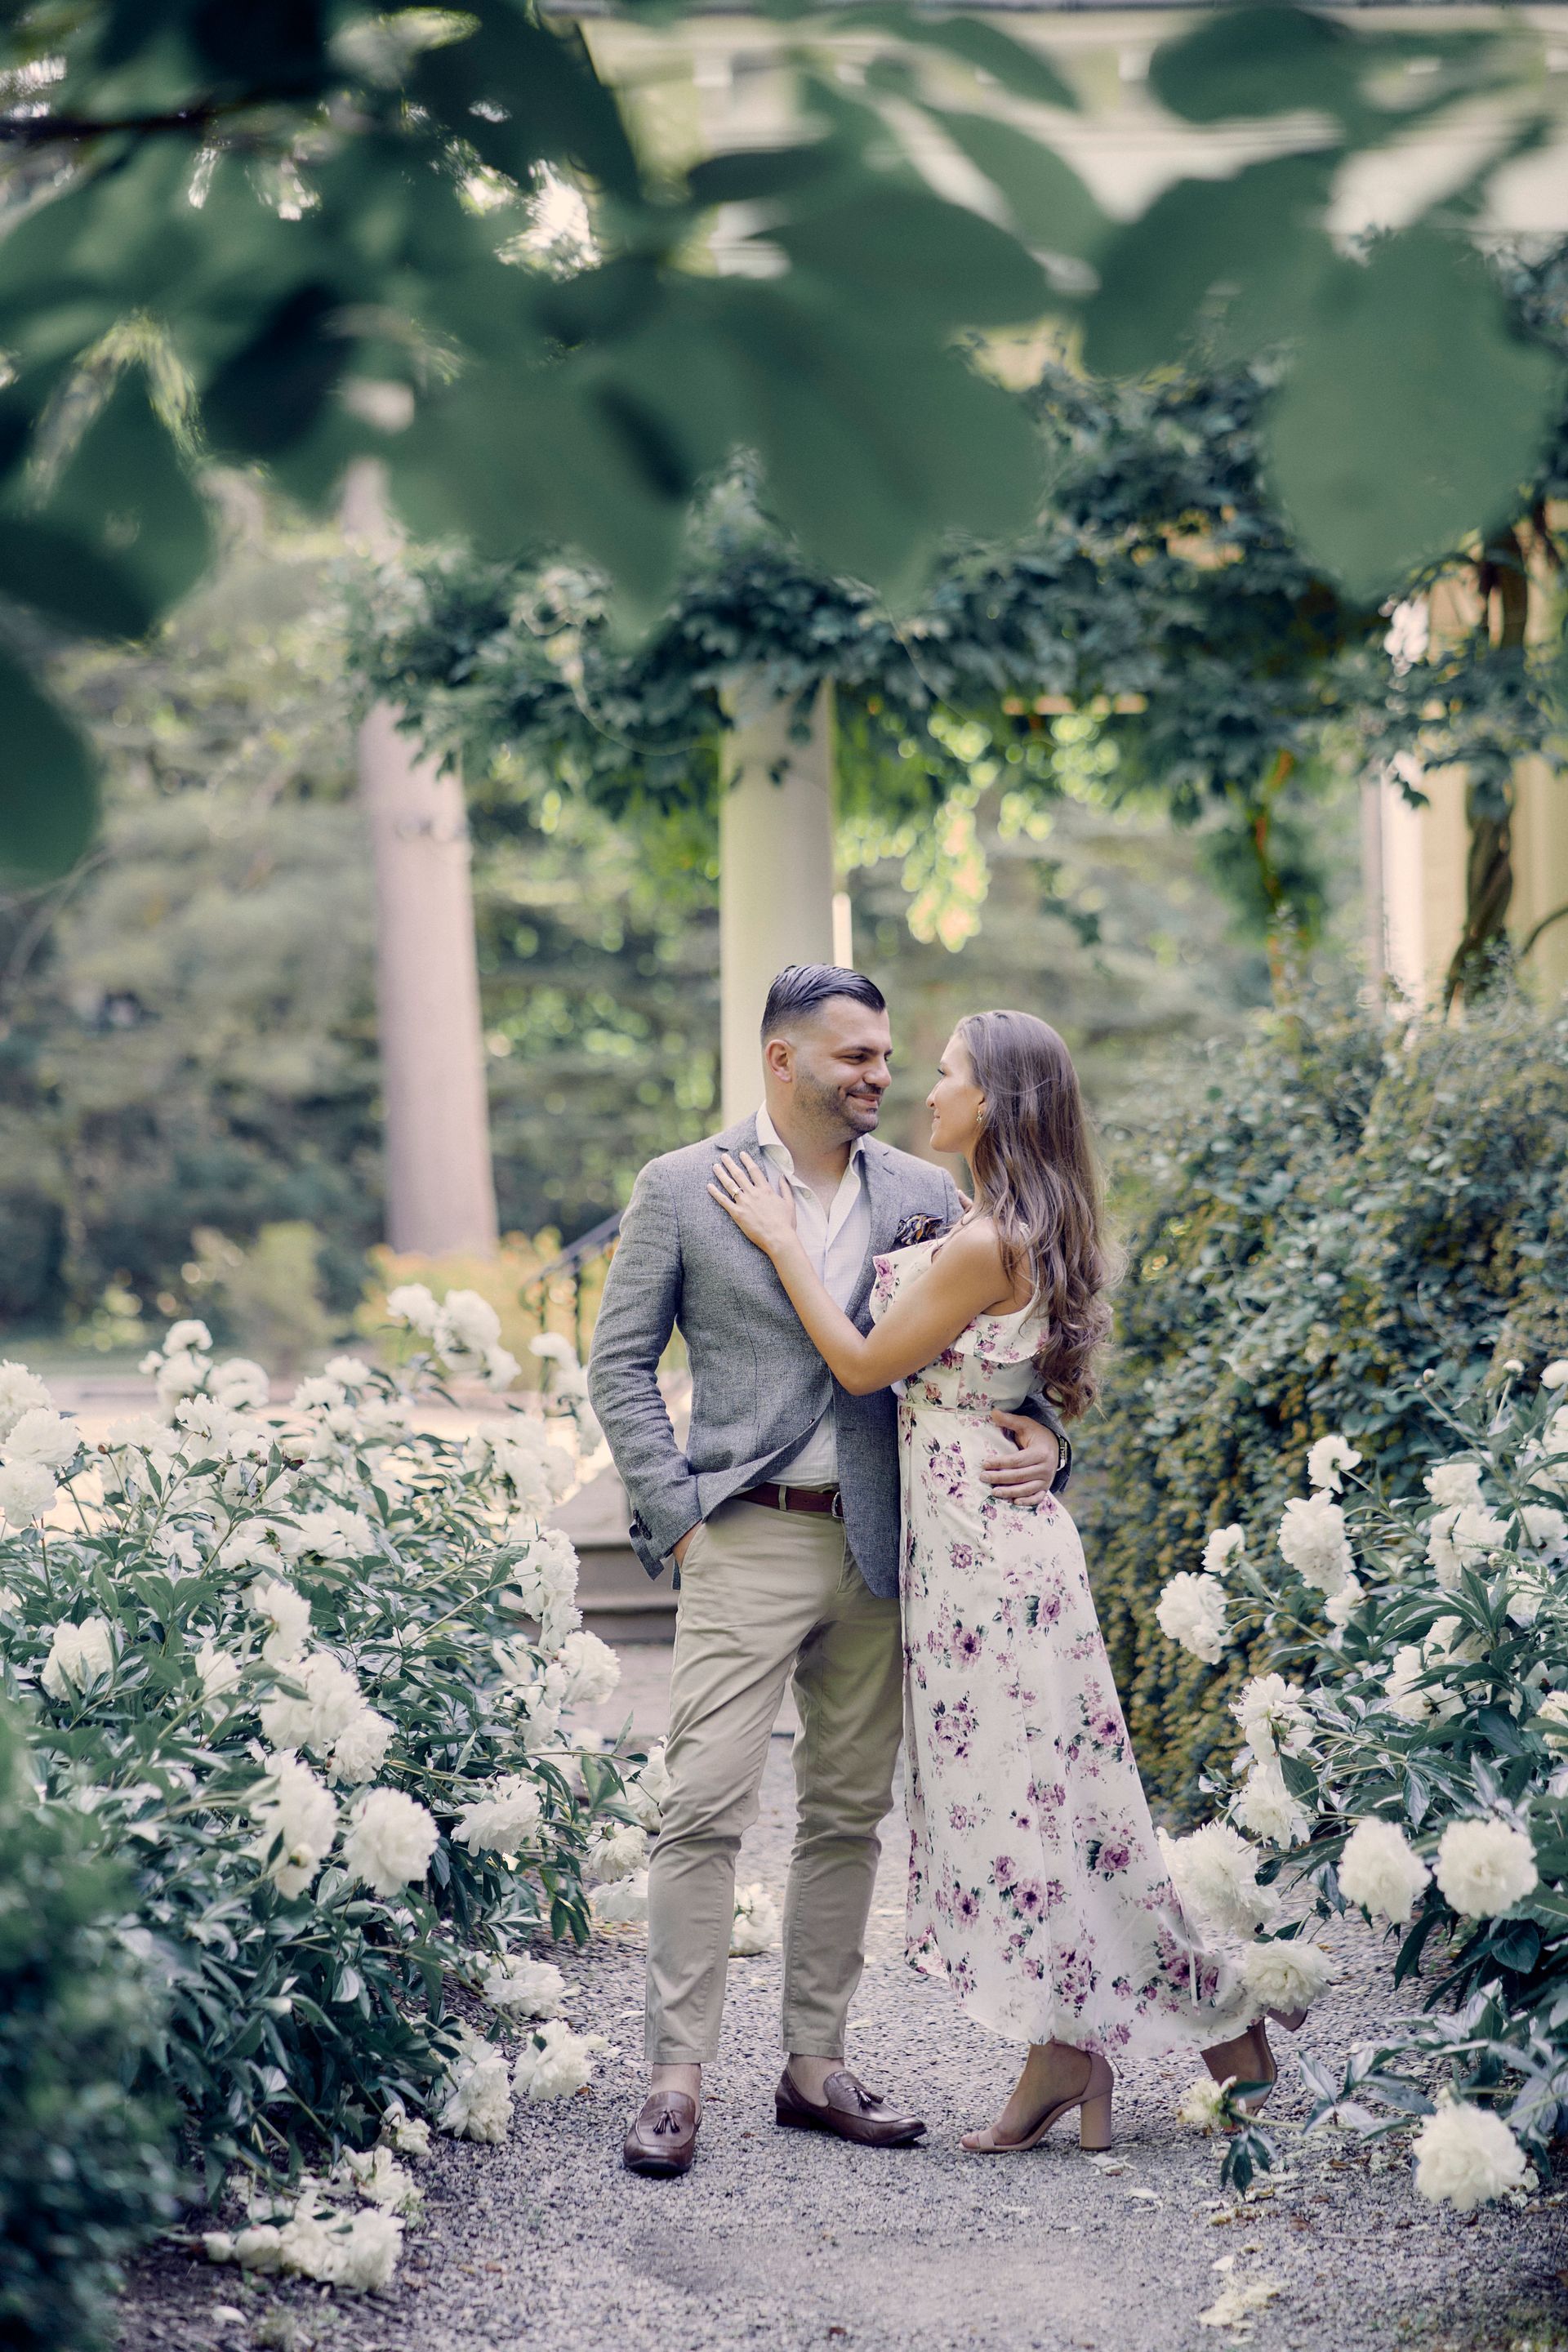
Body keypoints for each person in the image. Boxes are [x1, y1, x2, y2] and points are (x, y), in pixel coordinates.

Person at [710, 1007, 1297, 2155]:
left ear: (998, 1105)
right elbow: (995, 1386)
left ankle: (1192, 2024)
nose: (927, 1092)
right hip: (982, 1549)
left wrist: (785, 1243)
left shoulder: (988, 1240)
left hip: (988, 1564)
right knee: (1049, 1809)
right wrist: (1040, 1440)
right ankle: (1080, 2047)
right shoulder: (994, 1222)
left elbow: (868, 1365)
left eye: (946, 1077)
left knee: (1041, 1810)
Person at [588, 965, 1071, 2177]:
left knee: (848, 1814)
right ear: (782, 1059)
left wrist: (1051, 1437)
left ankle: (815, 2066)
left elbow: (1008, 1332)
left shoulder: (926, 1190)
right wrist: (682, 1518)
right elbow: (618, 1368)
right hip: (743, 1533)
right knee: (702, 1804)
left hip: (887, 1544)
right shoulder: (683, 1188)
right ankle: (673, 2079)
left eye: (889, 1055)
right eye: (854, 1055)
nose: (880, 1075)